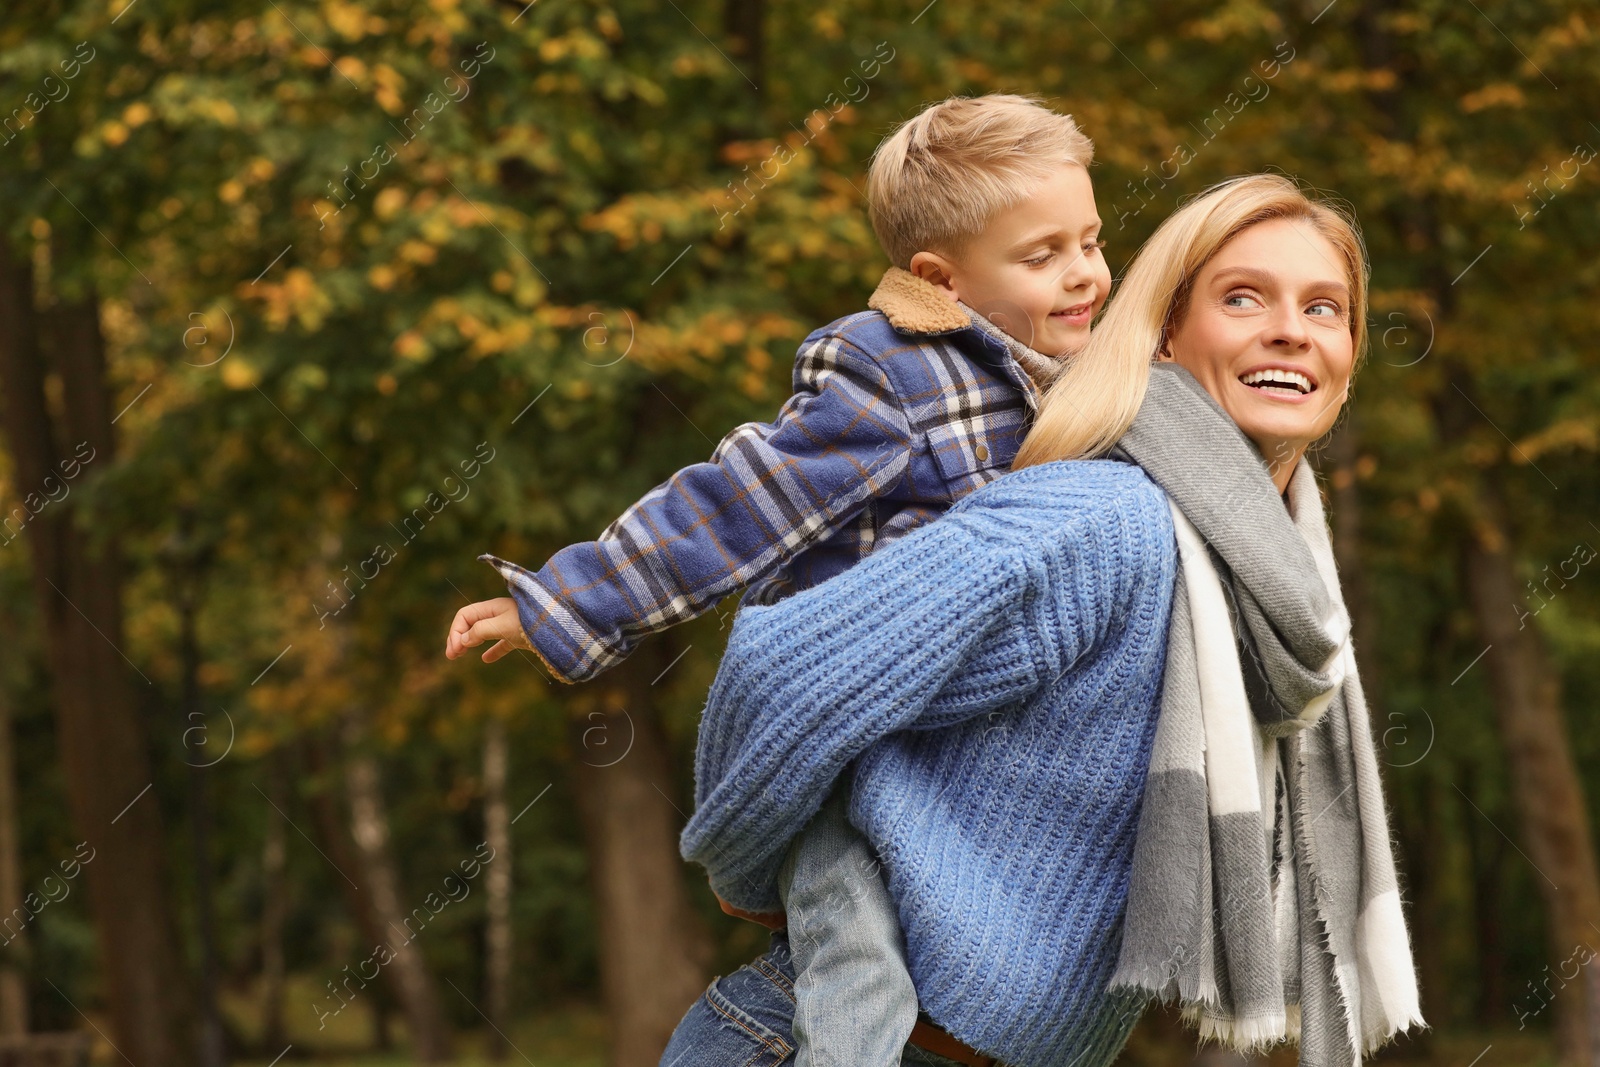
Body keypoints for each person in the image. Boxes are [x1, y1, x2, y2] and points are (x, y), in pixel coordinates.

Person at [668, 173, 1425, 1067]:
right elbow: (781, 668)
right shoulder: (1108, 521)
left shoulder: (1270, 587)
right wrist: (754, 876)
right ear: (1170, 333)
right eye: (1243, 297)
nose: (1291, 330)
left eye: (1325, 308)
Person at [446, 94, 1114, 1066]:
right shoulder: (894, 373)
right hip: (847, 733)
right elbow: (734, 505)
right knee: (853, 948)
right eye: (1043, 253)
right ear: (941, 278)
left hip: (963, 741)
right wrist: (564, 602)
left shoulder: (1081, 370)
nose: (1085, 272)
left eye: (1091, 239)